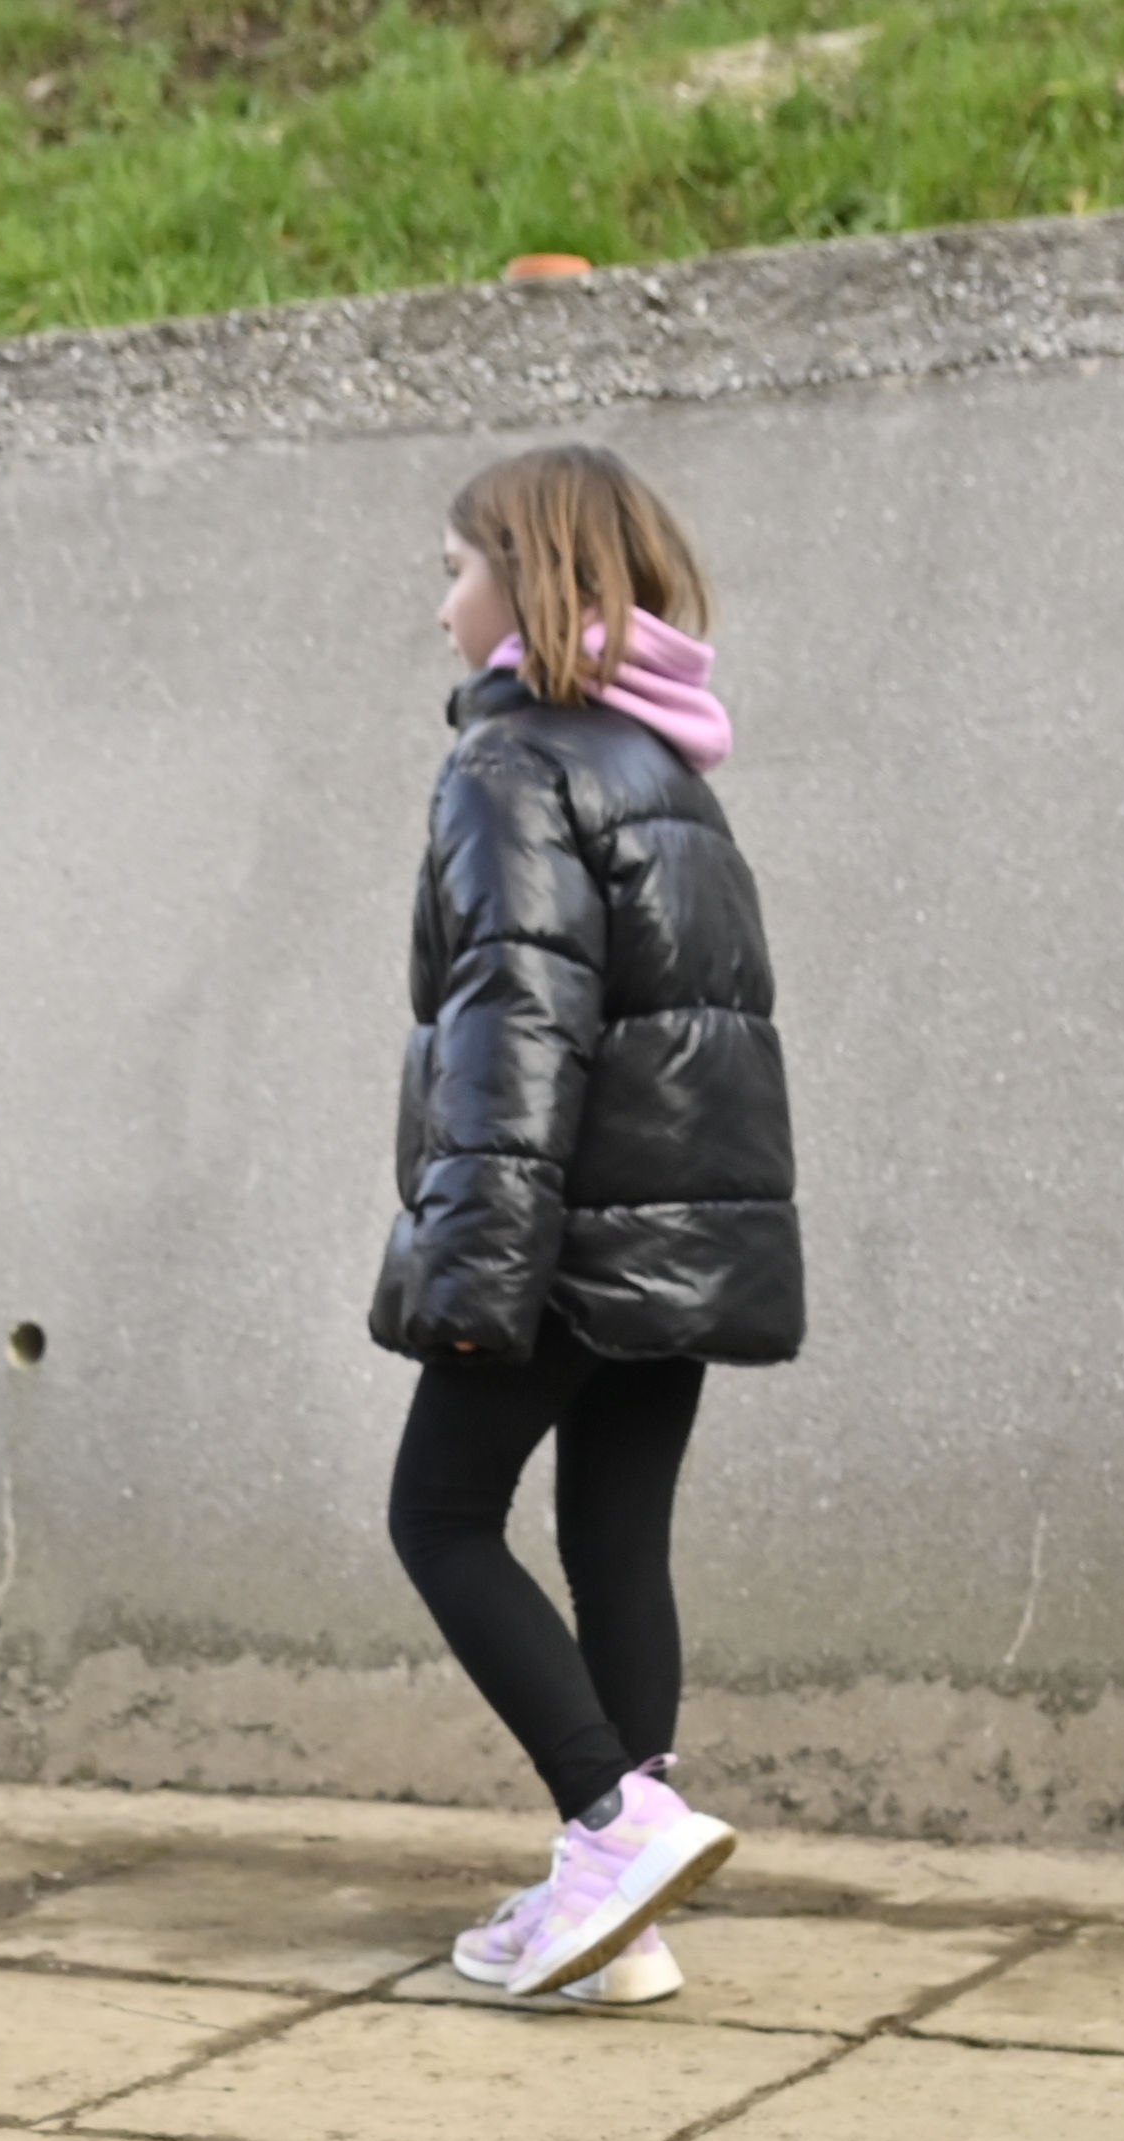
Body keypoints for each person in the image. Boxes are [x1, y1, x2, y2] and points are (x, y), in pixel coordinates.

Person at [371, 440, 797, 2009]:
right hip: (675, 1236)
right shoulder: (663, 769)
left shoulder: (511, 764)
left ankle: (615, 1825)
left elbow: (518, 1021)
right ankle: (621, 1908)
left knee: (439, 1515)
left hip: (559, 1236)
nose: (441, 610)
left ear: (528, 574)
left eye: (455, 572)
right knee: (616, 1540)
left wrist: (481, 1265)